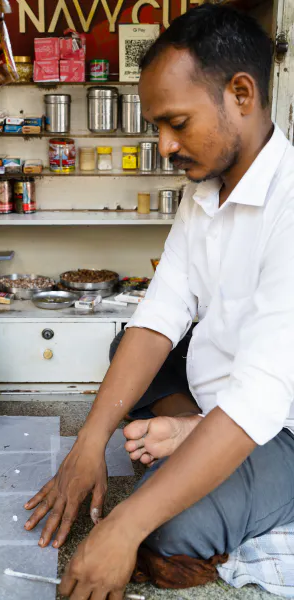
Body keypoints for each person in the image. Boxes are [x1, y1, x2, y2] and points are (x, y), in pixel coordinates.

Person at [25, 4, 294, 598]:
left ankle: (196, 435)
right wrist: (87, 444)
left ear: (242, 94)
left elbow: (258, 401)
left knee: (166, 532)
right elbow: (159, 317)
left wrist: (122, 528)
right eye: (156, 127)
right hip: (223, 392)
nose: (165, 146)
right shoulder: (204, 192)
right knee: (129, 341)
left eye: (176, 122)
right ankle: (193, 426)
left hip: (281, 426)